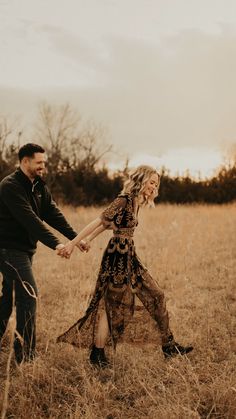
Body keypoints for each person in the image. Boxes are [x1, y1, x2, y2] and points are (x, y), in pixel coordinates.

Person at [57, 165, 193, 367]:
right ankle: (97, 354)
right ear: (142, 180)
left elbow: (109, 225)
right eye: (152, 182)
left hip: (128, 253)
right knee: (111, 304)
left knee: (156, 294)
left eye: (156, 184)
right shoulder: (125, 199)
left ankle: (168, 346)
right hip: (117, 256)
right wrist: (72, 244)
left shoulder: (136, 202)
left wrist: (91, 241)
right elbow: (99, 221)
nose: (154, 187)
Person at [0, 143, 82, 364]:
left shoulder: (38, 186)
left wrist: (76, 238)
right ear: (24, 161)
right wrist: (56, 244)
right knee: (29, 294)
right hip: (8, 250)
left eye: (44, 163)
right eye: (39, 162)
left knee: (7, 300)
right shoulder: (10, 186)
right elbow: (30, 219)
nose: (43, 166)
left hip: (25, 251)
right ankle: (25, 355)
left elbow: (51, 213)